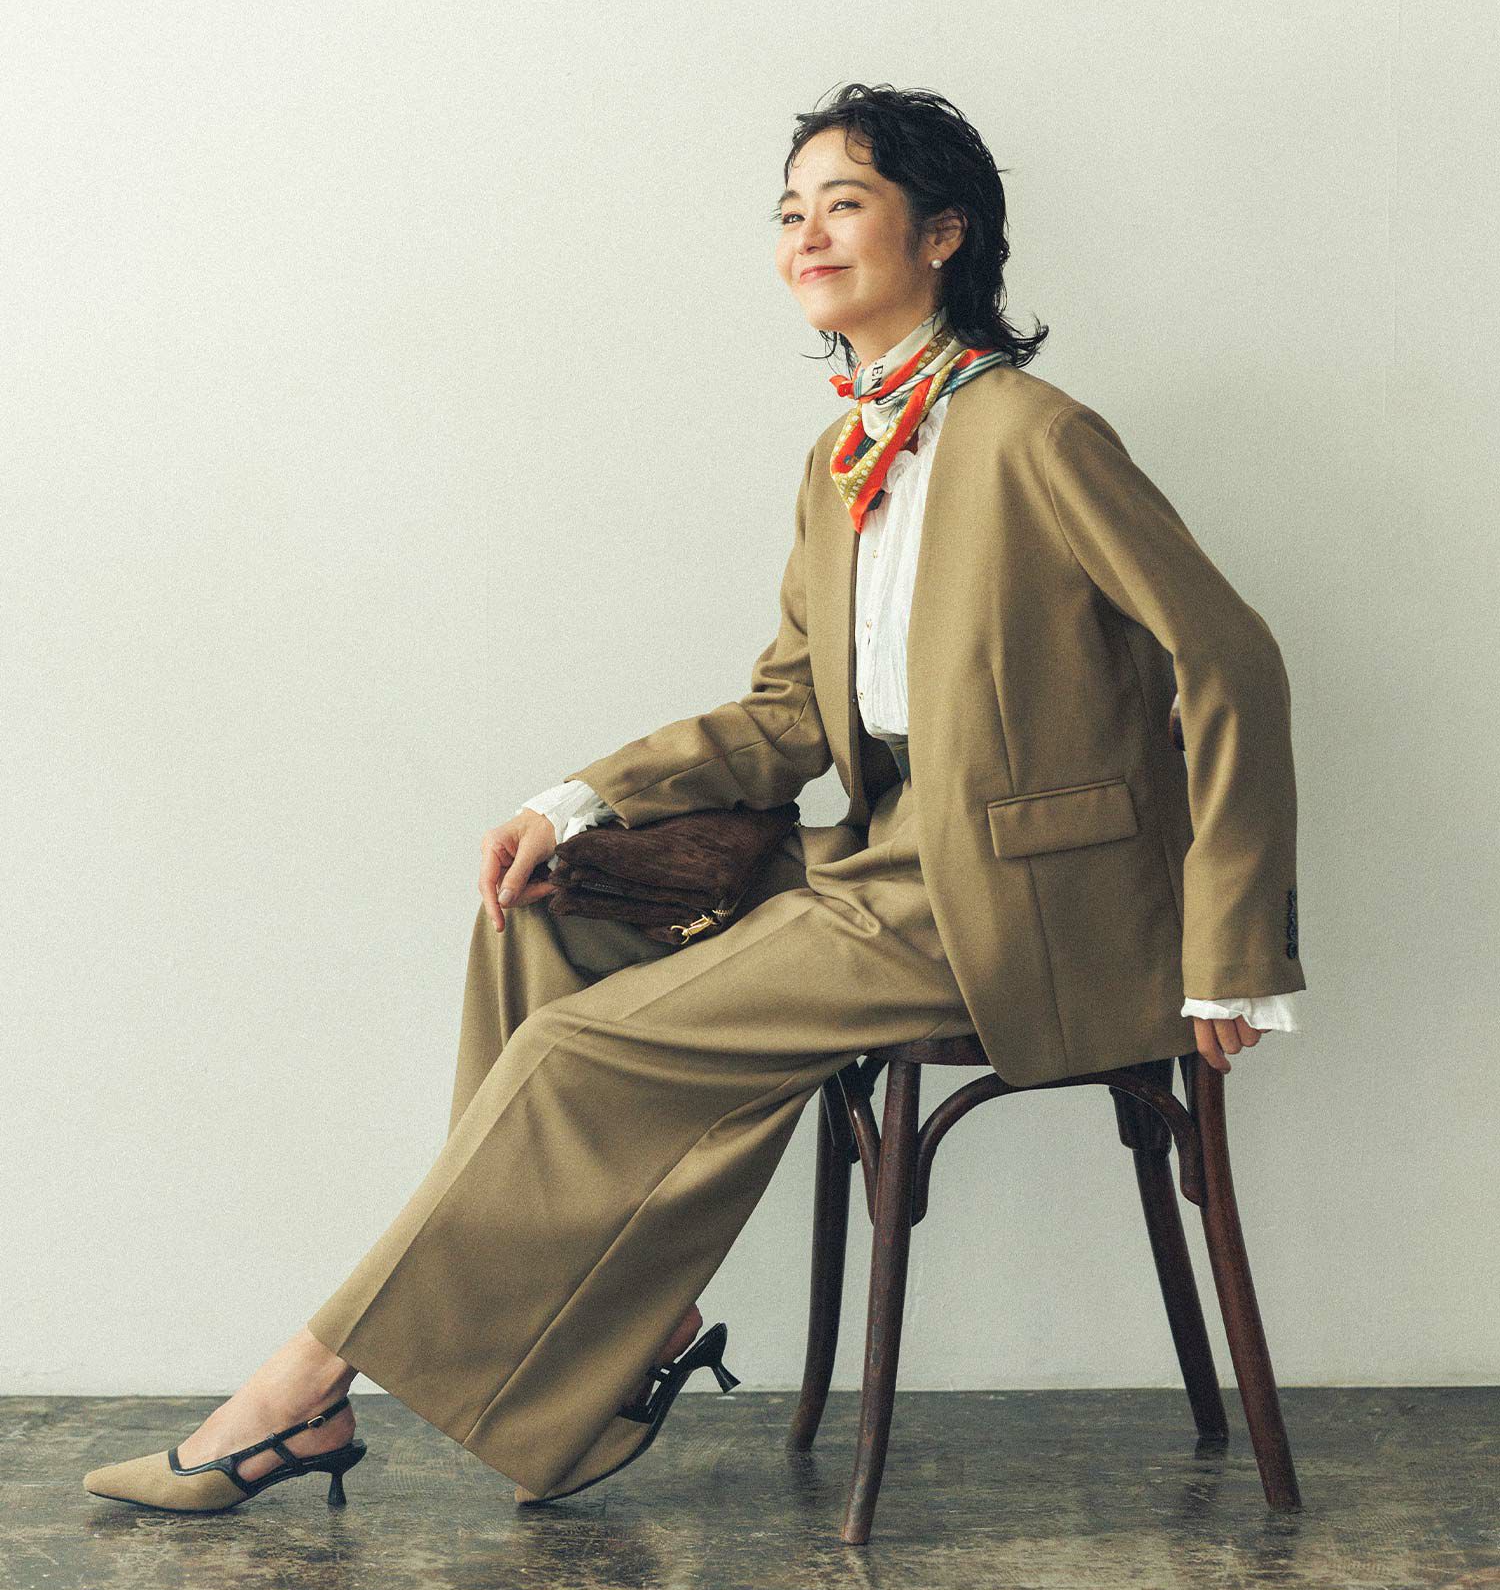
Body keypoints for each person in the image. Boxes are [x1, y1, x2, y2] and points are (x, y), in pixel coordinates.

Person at [83, 82, 1305, 1515]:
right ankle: (633, 1332)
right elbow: (791, 713)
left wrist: (1232, 949)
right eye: (790, 213)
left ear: (944, 234)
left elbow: (1231, 656)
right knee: (540, 919)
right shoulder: (844, 460)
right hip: (878, 863)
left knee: (578, 1051)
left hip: (1012, 905)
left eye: (844, 204)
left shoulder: (1034, 434)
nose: (807, 236)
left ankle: (301, 1391)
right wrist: (579, 804)